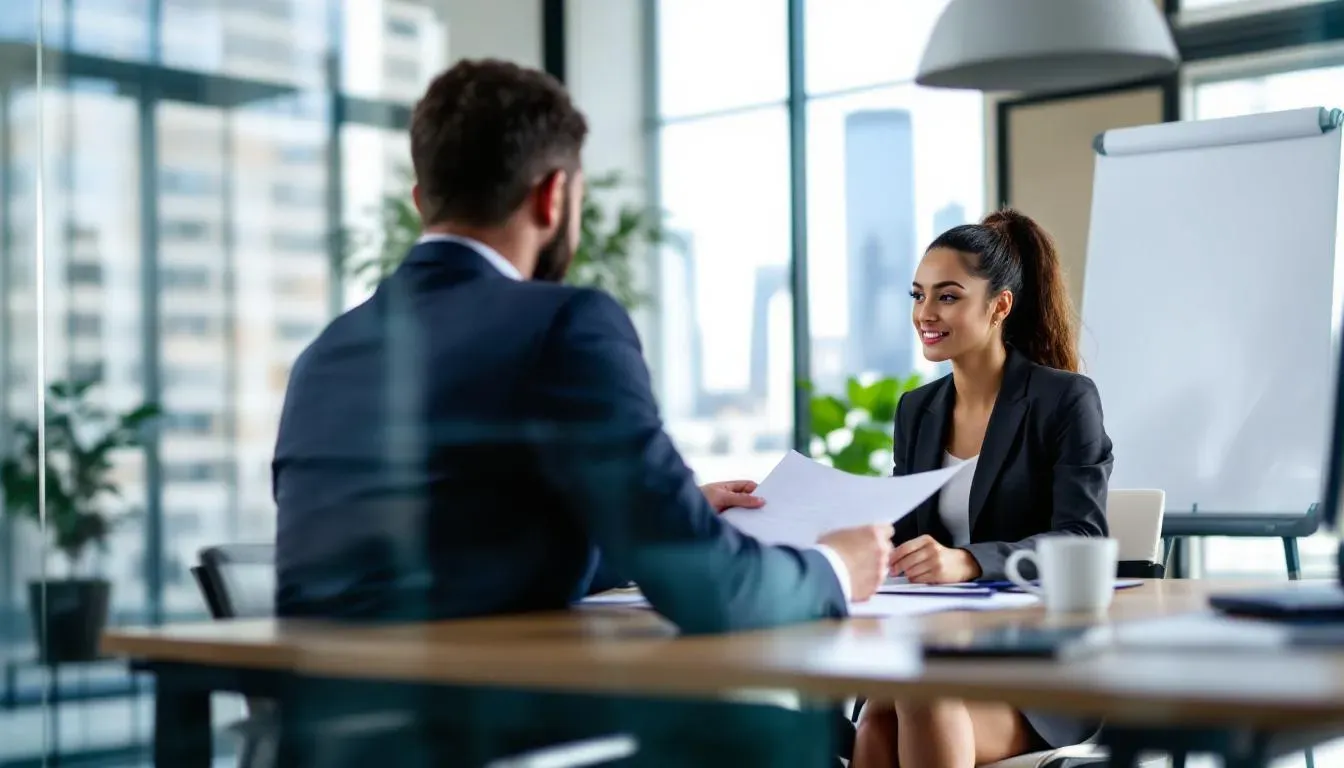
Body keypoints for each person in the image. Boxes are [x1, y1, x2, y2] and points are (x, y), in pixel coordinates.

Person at [271, 58, 893, 637]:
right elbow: (712, 591)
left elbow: (449, 560)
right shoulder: (566, 322)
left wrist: (651, 526)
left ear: (419, 202)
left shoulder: (326, 353)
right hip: (502, 738)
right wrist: (835, 566)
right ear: (554, 196)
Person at [852, 210, 1114, 767]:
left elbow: (1084, 537)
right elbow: (901, 534)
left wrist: (968, 562)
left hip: (1038, 664)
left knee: (914, 701)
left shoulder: (1064, 400)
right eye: (918, 295)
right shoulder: (917, 410)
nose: (925, 313)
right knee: (878, 713)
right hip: (938, 646)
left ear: (999, 306)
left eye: (947, 297)